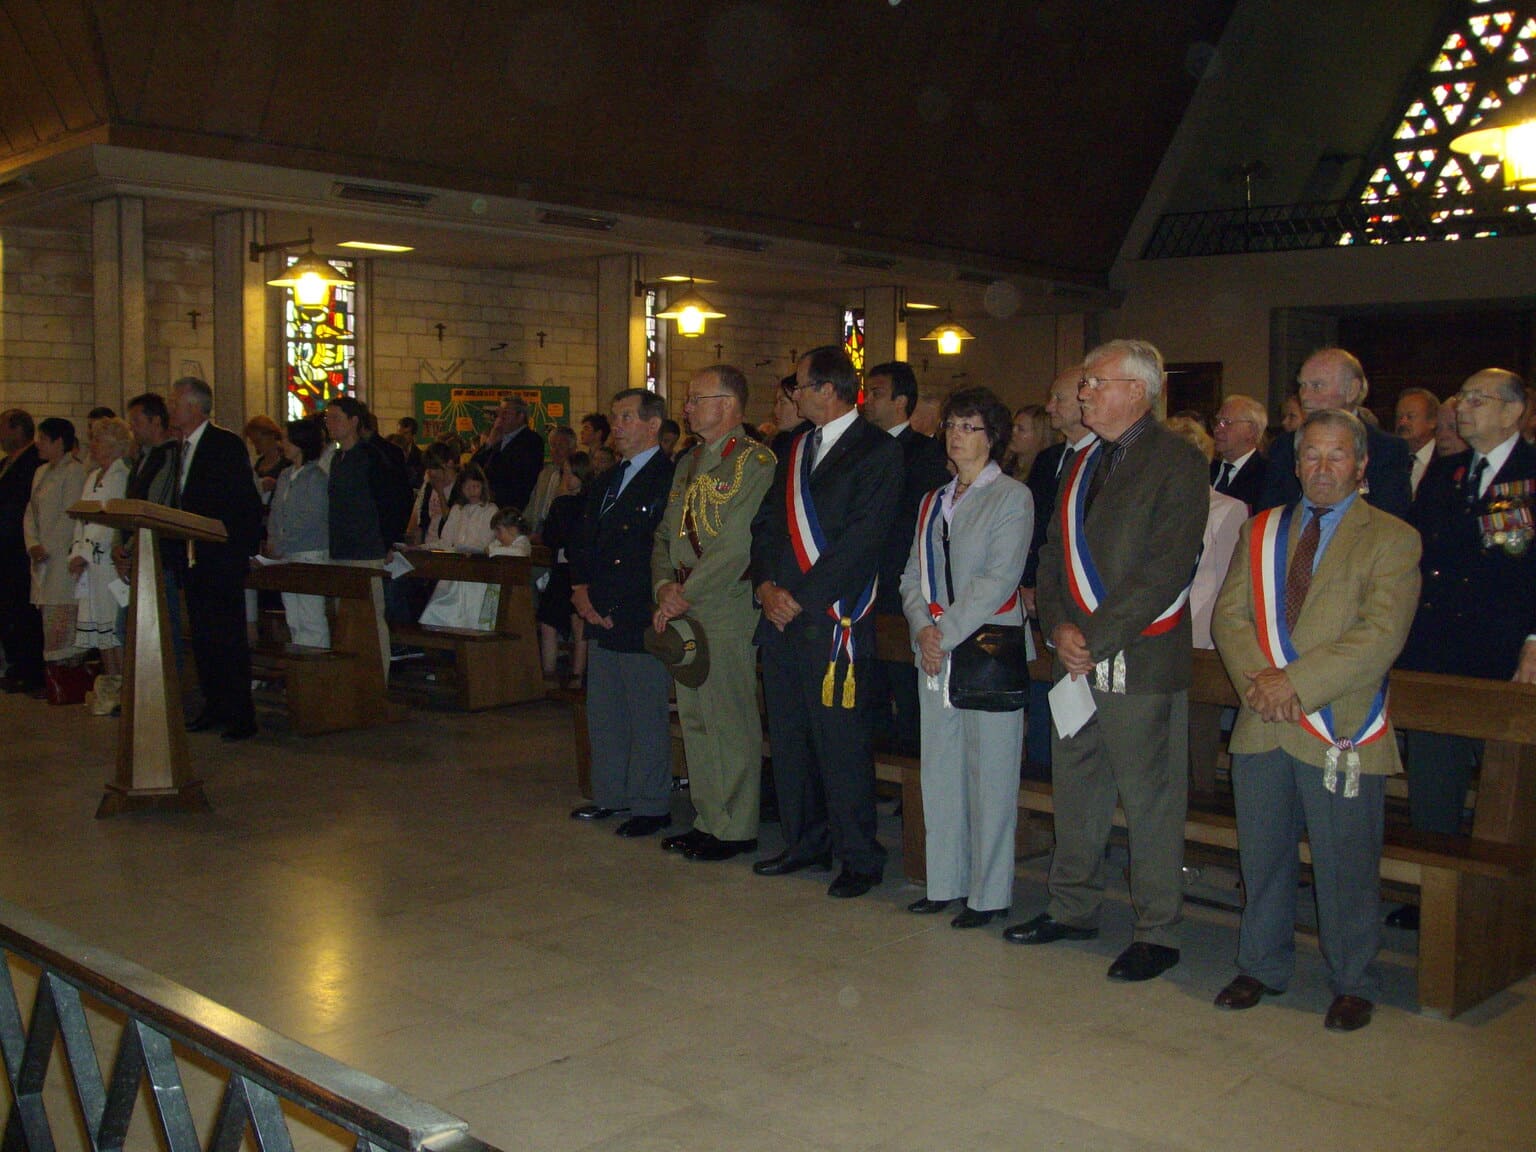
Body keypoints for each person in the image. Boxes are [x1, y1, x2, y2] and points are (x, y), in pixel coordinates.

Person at [1211, 409, 1421, 1032]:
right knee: (1264, 854)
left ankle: (1354, 979)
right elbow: (1230, 618)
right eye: (1311, 456)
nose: (1322, 469)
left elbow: (1380, 635)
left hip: (1340, 724)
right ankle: (1261, 964)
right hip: (1263, 720)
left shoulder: (1392, 537)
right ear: (1295, 462)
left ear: (1360, 465)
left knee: (1345, 862)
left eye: (1336, 457)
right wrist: (1266, 686)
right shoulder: (1262, 529)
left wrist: (1294, 684)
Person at [1006, 339, 1207, 984]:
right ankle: (1072, 906)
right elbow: (1051, 554)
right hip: (1078, 656)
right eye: (1085, 382)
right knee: (1078, 787)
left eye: (1096, 382)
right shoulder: (1080, 462)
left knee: (1149, 801)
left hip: (1139, 658)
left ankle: (1157, 929)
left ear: (1138, 392)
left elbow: (1166, 566)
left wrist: (1095, 634)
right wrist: (1060, 624)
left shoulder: (1176, 461)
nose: (1083, 392)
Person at [749, 345, 903, 898]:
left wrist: (801, 598)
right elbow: (766, 525)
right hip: (781, 617)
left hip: (834, 620)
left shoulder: (877, 451)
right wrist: (766, 585)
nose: (795, 395)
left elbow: (863, 540)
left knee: (840, 742)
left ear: (829, 389)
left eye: (801, 385)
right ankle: (805, 841)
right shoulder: (793, 446)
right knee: (789, 738)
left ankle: (860, 855)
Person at [1392, 369, 1536, 931]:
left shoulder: (1530, 472)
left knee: (1510, 783)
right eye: (1462, 397)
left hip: (1505, 652)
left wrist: (1533, 642)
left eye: (1478, 399)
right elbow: (1416, 551)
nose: (1463, 407)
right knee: (1434, 777)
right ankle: (1432, 897)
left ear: (1513, 412)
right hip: (1435, 649)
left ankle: (1507, 911)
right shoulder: (1447, 473)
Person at [899, 386, 1032, 928]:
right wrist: (921, 629)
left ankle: (989, 893)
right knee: (941, 770)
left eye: (970, 426)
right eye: (952, 425)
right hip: (936, 649)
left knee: (991, 773)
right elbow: (910, 574)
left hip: (984, 647)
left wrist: (942, 633)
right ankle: (945, 880)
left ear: (992, 437)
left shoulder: (1012, 498)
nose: (957, 435)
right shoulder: (934, 500)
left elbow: (997, 579)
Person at [651, 365, 777, 862]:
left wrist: (686, 593)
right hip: (682, 603)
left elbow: (736, 544)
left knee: (728, 715)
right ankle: (709, 819)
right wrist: (664, 584)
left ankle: (737, 825)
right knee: (696, 716)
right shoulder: (688, 462)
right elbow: (666, 533)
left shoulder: (754, 462)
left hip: (723, 605)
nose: (685, 408)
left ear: (727, 403)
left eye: (695, 399)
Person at [568, 390, 677, 835]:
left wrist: (614, 603)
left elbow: (653, 548)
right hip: (599, 607)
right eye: (615, 417)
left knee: (644, 712)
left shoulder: (668, 478)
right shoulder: (609, 477)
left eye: (627, 417)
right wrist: (580, 589)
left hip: (637, 609)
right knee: (605, 710)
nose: (617, 426)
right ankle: (610, 794)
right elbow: (586, 535)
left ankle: (651, 805)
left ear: (653, 426)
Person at [861, 360, 951, 752]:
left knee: (908, 694)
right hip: (863, 591)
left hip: (901, 591)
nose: (867, 402)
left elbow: (916, 526)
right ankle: (878, 775)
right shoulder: (862, 450)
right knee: (870, 691)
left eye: (877, 393)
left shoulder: (925, 454)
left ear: (902, 401)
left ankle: (913, 782)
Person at [168, 377, 264, 739]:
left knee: (227, 638)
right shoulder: (179, 448)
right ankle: (214, 705)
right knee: (205, 639)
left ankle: (241, 715)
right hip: (193, 558)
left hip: (219, 557)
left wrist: (229, 542)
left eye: (175, 401)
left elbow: (238, 501)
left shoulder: (224, 444)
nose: (171, 407)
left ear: (194, 406)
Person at [1167, 415, 1248, 794]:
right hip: (1157, 633)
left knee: (1198, 734)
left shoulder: (1228, 509)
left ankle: (1200, 808)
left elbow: (1227, 583)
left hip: (1200, 637)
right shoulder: (1156, 508)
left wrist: (1205, 637)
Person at [1261, 348, 1412, 518]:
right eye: (1302, 385)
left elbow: (1389, 520)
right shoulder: (1284, 447)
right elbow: (1270, 517)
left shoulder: (1386, 449)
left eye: (1317, 386)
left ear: (1351, 390)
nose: (1305, 396)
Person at [26, 418, 89, 689]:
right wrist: (33, 544)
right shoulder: (41, 472)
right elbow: (30, 513)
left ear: (59, 442)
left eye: (43, 439)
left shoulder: (74, 472)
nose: (38, 443)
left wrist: (49, 549)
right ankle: (53, 678)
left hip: (60, 558)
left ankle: (66, 677)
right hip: (42, 557)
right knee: (47, 619)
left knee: (62, 622)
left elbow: (71, 516)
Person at [68, 417, 134, 676]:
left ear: (114, 444)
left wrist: (85, 553)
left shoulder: (121, 476)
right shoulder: (93, 476)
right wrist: (76, 552)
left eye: (98, 439)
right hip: (90, 564)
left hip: (108, 562)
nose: (92, 445)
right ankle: (110, 683)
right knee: (97, 626)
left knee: (112, 626)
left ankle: (122, 685)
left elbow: (110, 521)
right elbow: (82, 516)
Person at [264, 416, 330, 649]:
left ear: (300, 443)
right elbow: (276, 511)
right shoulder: (285, 475)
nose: (282, 444)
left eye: (286, 439)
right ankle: (300, 662)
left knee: (311, 614)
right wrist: (272, 539)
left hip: (309, 552)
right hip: (287, 553)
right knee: (293, 614)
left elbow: (311, 518)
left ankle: (316, 665)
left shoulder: (317, 478)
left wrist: (282, 543)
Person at [536, 450, 595, 685]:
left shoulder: (565, 503)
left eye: (570, 474)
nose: (566, 478)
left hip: (571, 568)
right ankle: (572, 675)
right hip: (570, 567)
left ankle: (559, 674)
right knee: (560, 620)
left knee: (571, 620)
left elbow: (551, 536)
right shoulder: (588, 503)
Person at [417, 463, 500, 630]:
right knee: (441, 611)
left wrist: (465, 547)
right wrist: (422, 548)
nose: (472, 490)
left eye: (476, 486)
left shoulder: (490, 510)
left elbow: (486, 541)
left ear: (483, 487)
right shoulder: (457, 509)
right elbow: (446, 541)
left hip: (478, 570)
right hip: (456, 569)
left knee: (471, 616)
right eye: (467, 486)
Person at [0, 410, 44, 694]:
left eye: (2, 428)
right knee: (7, 610)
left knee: (24, 611)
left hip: (20, 547)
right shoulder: (5, 462)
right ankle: (16, 665)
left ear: (17, 430)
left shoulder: (34, 461)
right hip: (4, 548)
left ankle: (31, 669)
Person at [473, 396, 544, 512]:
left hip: (511, 508)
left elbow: (520, 477)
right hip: (488, 506)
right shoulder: (498, 439)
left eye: (505, 413)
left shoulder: (531, 441)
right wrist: (489, 442)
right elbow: (474, 467)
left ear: (520, 416)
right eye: (499, 413)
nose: (500, 417)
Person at [1210, 394, 1270, 513]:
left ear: (1251, 431)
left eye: (1227, 422)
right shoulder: (1207, 469)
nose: (1217, 429)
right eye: (1217, 422)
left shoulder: (1267, 475)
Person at [527, 425, 575, 532]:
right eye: (553, 446)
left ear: (572, 449)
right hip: (538, 530)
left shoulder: (575, 476)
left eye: (561, 447)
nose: (556, 451)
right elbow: (532, 504)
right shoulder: (545, 473)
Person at [1394, 387, 1439, 497]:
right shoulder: (1390, 457)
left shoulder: (1443, 458)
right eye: (1399, 417)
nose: (1402, 422)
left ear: (1432, 421)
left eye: (1410, 417)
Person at [244, 414, 289, 503]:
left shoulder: (286, 461)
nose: (257, 446)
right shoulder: (259, 463)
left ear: (271, 435)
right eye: (254, 442)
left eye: (259, 441)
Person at [1005, 403, 1053, 482]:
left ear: (1040, 436)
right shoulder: (1004, 467)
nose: (1013, 432)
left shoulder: (1044, 475)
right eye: (1012, 426)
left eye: (1021, 429)